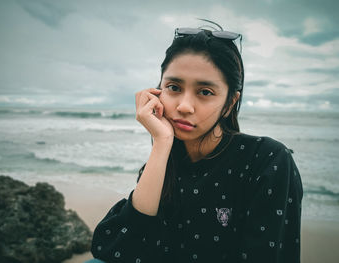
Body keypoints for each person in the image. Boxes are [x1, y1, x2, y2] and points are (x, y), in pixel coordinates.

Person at [89, 20, 303, 263]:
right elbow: (117, 251)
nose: (184, 106)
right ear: (158, 91)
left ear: (230, 103)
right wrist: (161, 143)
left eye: (205, 92)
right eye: (173, 87)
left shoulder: (266, 160)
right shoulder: (164, 162)